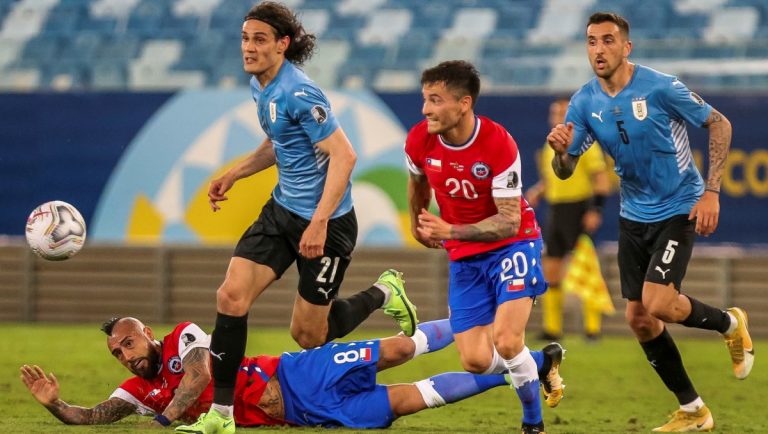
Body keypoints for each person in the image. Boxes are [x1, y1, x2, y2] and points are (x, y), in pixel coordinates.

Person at [199, 2, 418, 431]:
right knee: (231, 297)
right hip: (281, 212)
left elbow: (344, 154)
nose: (249, 47)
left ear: (283, 45)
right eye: (245, 38)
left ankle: (383, 292)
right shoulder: (260, 86)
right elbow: (279, 142)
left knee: (308, 335)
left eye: (260, 39)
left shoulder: (300, 91)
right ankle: (221, 415)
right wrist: (235, 174)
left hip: (329, 224)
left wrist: (319, 222)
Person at [546, 12, 754, 432]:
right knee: (640, 319)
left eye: (608, 40)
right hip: (632, 215)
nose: (599, 49)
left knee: (659, 302)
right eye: (591, 41)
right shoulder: (584, 101)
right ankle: (695, 411)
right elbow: (568, 169)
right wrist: (560, 151)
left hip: (679, 206)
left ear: (626, 47)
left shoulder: (660, 87)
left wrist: (712, 191)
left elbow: (719, 123)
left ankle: (731, 323)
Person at [20, 317, 565, 432]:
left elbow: (194, 381)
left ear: (147, 335)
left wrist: (164, 421)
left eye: (129, 343)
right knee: (409, 400)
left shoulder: (183, 338)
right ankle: (533, 365)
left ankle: (482, 318)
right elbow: (88, 416)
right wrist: (54, 405)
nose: (126, 355)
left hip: (302, 371)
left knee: (399, 349)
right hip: (310, 414)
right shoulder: (139, 390)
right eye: (118, 353)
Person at [405, 60, 560, 434]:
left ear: (464, 103)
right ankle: (541, 363)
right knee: (475, 360)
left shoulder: (498, 143)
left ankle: (532, 423)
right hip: (464, 255)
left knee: (507, 342)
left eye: (435, 100)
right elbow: (418, 182)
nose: (426, 109)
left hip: (514, 244)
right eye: (424, 99)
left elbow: (508, 220)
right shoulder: (419, 139)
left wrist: (451, 230)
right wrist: (417, 221)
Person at [526, 96, 612, 341]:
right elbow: (553, 177)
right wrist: (538, 191)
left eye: (562, 113)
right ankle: (553, 328)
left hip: (579, 209)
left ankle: (592, 329)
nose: (557, 117)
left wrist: (596, 210)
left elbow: (601, 178)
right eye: (555, 113)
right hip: (555, 209)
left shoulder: (586, 144)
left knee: (585, 269)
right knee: (551, 267)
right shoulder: (549, 146)